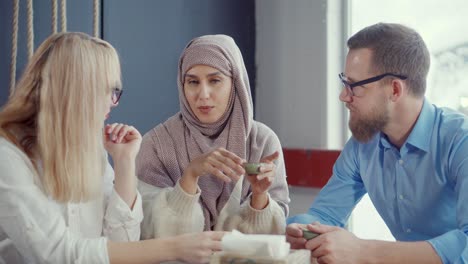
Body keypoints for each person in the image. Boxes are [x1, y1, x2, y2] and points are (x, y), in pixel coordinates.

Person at [0, 32, 225, 264]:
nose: (113, 102)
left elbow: (121, 245)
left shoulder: (90, 149)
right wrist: (175, 247)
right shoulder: (8, 157)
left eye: (115, 91)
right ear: (74, 90)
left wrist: (124, 162)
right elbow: (59, 255)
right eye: (106, 90)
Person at [286, 23, 468, 264]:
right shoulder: (363, 145)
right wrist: (298, 230)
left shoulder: (460, 141)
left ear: (394, 89)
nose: (343, 95)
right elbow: (324, 215)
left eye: (354, 85)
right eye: (344, 82)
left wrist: (363, 252)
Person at [136, 34, 290, 238]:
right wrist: (190, 176)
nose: (203, 94)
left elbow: (270, 241)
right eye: (192, 82)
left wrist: (259, 196)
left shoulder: (261, 141)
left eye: (215, 80)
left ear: (235, 83)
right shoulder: (156, 144)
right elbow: (148, 232)